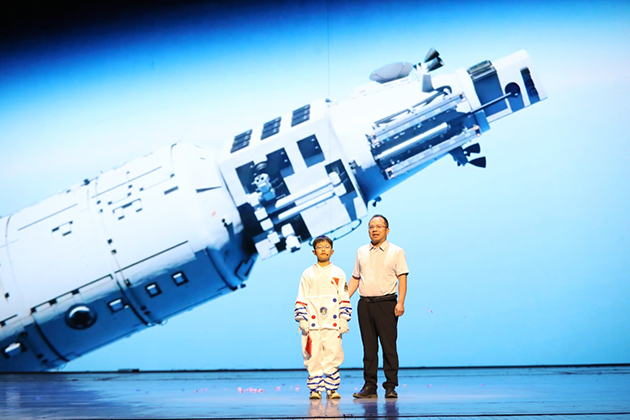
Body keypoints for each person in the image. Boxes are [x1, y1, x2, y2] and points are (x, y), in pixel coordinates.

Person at [349, 214, 408, 399]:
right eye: (371, 226)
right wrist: (342, 299)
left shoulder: (396, 251)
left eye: (378, 226)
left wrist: (400, 302)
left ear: (387, 230)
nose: (374, 230)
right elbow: (355, 278)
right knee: (369, 348)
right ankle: (370, 386)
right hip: (365, 304)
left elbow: (402, 278)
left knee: (389, 347)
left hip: (386, 304)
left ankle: (390, 386)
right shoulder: (361, 251)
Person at [294, 235, 352, 400]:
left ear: (332, 251)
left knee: (333, 355)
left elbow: (343, 297)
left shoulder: (338, 273)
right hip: (312, 324)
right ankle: (315, 389)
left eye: (326, 247)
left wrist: (343, 318)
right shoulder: (308, 273)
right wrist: (302, 318)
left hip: (332, 324)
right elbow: (302, 296)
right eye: (319, 247)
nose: (323, 250)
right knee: (313, 357)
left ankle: (332, 388)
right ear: (314, 252)